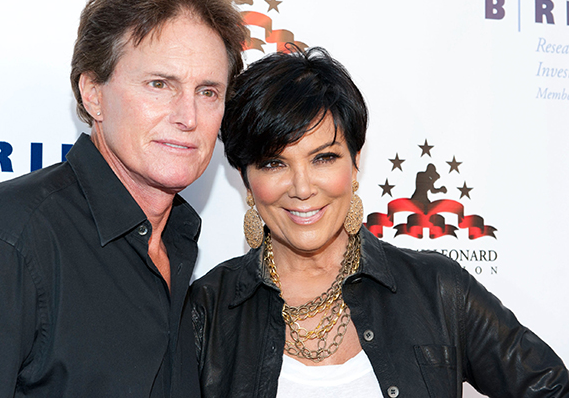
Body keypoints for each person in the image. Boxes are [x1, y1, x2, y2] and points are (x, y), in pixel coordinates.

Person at [0, 0, 246, 397]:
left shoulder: (180, 247)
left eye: (208, 92)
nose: (188, 117)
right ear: (93, 93)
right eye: (159, 84)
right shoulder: (4, 242)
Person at [190, 46, 568, 397]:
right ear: (246, 179)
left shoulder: (437, 290)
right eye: (274, 163)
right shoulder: (206, 311)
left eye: (323, 158)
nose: (302, 188)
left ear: (355, 164)